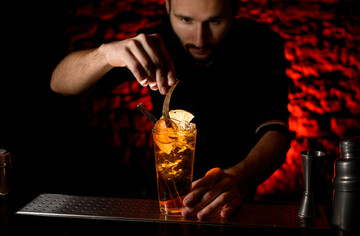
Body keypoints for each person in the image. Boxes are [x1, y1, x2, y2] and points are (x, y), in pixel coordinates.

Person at [51, 0, 290, 220]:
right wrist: (105, 54)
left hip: (235, 202)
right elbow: (59, 84)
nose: (199, 39)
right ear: (167, 6)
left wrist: (238, 178)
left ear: (234, 9)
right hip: (163, 200)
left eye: (215, 21)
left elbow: (275, 130)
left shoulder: (260, 44)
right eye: (186, 20)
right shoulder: (156, 42)